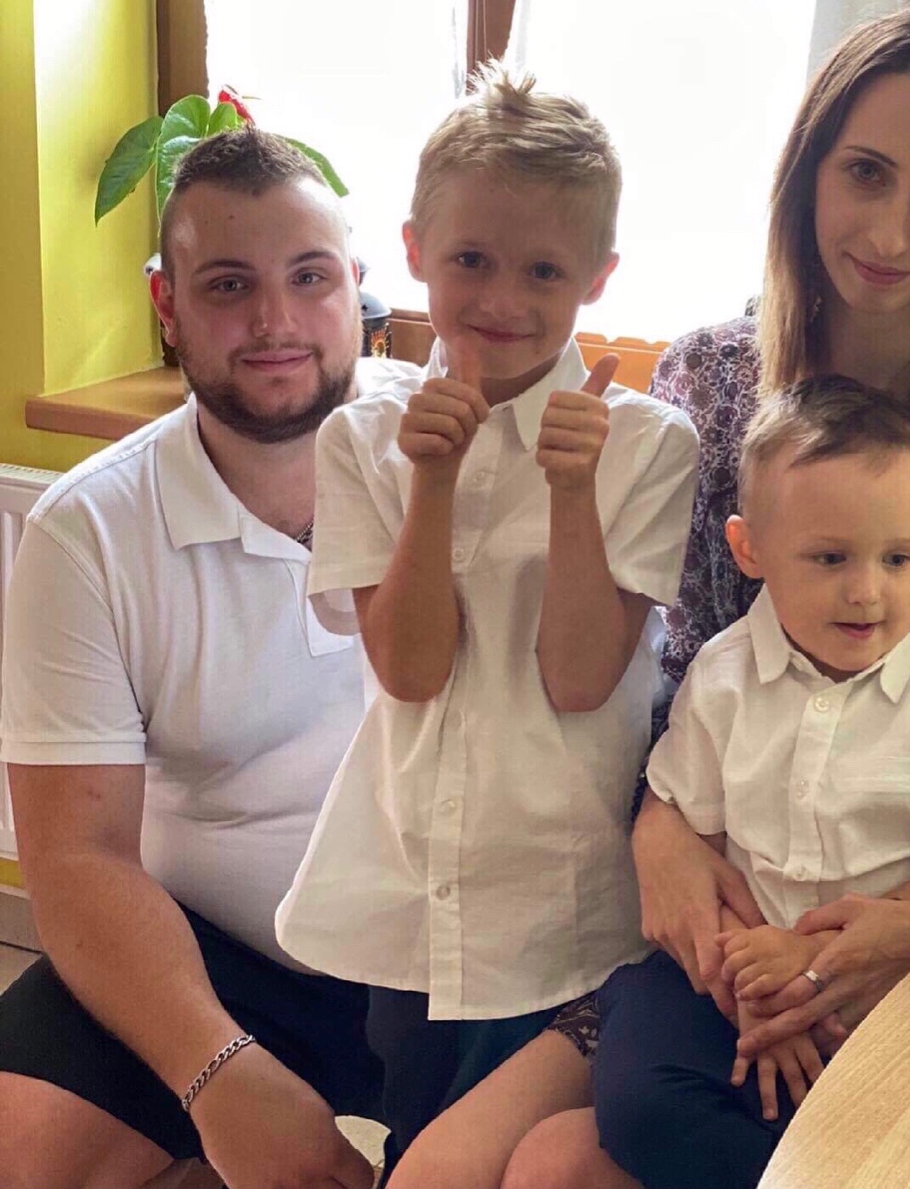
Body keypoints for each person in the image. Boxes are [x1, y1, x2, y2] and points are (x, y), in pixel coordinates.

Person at [501, 7, 910, 1189]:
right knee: (482, 1166)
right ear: (808, 173)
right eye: (866, 173)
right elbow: (676, 693)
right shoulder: (711, 382)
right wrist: (669, 850)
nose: (892, 233)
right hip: (722, 939)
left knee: (562, 1168)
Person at [272, 65, 700, 1184]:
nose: (503, 298)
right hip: (414, 886)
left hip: (565, 898)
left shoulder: (647, 443)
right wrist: (432, 478)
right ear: (415, 251)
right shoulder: (363, 436)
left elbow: (579, 678)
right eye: (471, 259)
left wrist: (571, 493)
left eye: (544, 270)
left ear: (597, 277)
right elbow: (410, 671)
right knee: (415, 1140)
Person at [0, 131, 402, 1189]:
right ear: (166, 304)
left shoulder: (451, 450)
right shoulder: (88, 531)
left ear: (355, 286)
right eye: (229, 285)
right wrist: (216, 1070)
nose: (275, 321)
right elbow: (77, 857)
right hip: (219, 955)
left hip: (445, 958)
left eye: (308, 278)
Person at [579, 378, 910, 1189]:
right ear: (749, 549)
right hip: (735, 976)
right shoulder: (722, 676)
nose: (867, 591)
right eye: (830, 558)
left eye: (898, 558)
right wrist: (757, 988)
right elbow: (698, 855)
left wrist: (810, 964)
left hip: (891, 982)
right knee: (638, 1101)